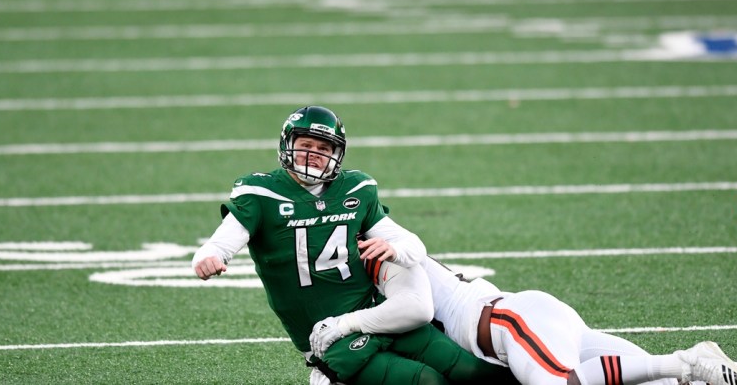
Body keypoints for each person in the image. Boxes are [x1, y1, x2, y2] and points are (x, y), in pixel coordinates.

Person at [192, 106, 518, 384]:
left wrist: (395, 249)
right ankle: (327, 374)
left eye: (323, 149)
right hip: (328, 338)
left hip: (379, 316)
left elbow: (407, 241)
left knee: (470, 371)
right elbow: (222, 242)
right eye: (306, 145)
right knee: (425, 380)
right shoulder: (260, 194)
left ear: (337, 154)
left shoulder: (356, 188)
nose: (313, 155)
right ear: (287, 145)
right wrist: (208, 257)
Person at [310, 255, 737, 385]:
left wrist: (346, 327)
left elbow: (415, 311)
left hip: (508, 324)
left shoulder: (383, 255)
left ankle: (685, 360)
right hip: (533, 320)